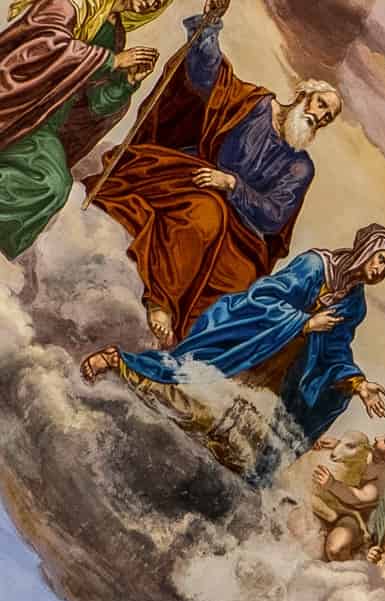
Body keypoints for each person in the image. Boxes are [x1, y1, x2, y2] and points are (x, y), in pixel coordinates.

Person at [86, 0, 341, 345]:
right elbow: (210, 76)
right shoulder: (254, 104)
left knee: (237, 278)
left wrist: (233, 185)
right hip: (193, 179)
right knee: (204, 215)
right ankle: (160, 301)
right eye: (321, 105)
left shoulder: (300, 166)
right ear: (303, 94)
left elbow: (274, 215)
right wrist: (211, 24)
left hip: (244, 232)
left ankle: (186, 349)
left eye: (329, 117)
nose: (321, 117)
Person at [81, 224, 385, 484]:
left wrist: (358, 384)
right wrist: (304, 322)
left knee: (237, 434)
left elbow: (335, 348)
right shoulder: (316, 266)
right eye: (381, 259)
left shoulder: (355, 304)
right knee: (187, 394)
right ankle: (115, 360)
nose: (381, 269)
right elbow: (263, 297)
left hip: (280, 370)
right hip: (250, 344)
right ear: (366, 250)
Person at [0, 0, 164, 259]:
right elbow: (45, 47)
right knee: (50, 183)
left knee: (53, 185)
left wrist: (126, 82)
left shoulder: (116, 33)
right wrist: (110, 60)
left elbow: (94, 102)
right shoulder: (72, 5)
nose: (152, 2)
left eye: (161, 1)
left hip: (45, 126)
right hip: (18, 110)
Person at [308, 427, 385, 561]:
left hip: (351, 517)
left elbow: (361, 498)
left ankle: (350, 576)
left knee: (335, 548)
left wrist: (332, 484)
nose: (377, 438)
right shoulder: (376, 456)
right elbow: (358, 450)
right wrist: (338, 444)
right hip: (329, 503)